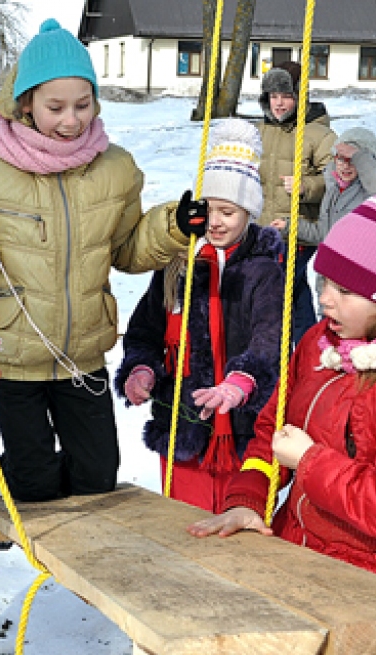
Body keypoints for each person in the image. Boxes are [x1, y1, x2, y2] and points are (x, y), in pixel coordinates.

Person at [0, 20, 197, 519]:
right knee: (37, 482)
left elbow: (128, 250)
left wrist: (173, 226)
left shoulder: (115, 168)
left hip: (81, 354)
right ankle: (4, 482)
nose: (72, 120)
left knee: (96, 477)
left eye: (83, 105)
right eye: (56, 107)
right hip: (12, 354)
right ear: (25, 103)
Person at [188, 166, 376, 603]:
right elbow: (272, 436)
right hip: (297, 556)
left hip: (374, 587)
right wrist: (249, 499)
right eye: (326, 282)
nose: (326, 298)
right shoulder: (321, 342)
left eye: (347, 290)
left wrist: (311, 462)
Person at [115, 119, 284, 514]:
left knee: (236, 530)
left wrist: (243, 380)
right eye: (207, 209)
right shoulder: (179, 264)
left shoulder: (264, 270)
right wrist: (142, 369)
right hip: (182, 423)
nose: (215, 221)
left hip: (240, 424)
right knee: (183, 524)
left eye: (228, 211)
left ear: (249, 212)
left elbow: (270, 337)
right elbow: (144, 330)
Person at [257, 61, 337, 346]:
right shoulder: (260, 131)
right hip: (266, 227)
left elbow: (338, 178)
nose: (279, 103)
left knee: (282, 287)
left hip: (300, 228)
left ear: (299, 97)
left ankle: (293, 347)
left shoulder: (318, 134)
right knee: (293, 289)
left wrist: (306, 186)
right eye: (273, 96)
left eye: (286, 96)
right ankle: (305, 350)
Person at [306, 127, 376, 300]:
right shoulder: (333, 190)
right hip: (328, 280)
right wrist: (288, 226)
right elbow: (324, 233)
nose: (345, 165)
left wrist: (360, 155)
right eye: (340, 159)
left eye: (352, 160)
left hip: (355, 283)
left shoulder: (371, 193)